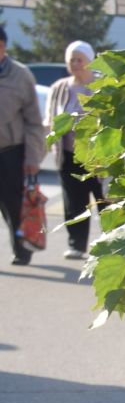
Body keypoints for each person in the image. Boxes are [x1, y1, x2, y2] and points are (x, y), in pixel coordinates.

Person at [44, 41, 104, 261]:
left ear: (90, 61)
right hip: (69, 156)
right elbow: (49, 121)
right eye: (72, 59)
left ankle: (110, 244)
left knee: (105, 200)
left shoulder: (103, 86)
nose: (76, 64)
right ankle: (76, 245)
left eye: (80, 59)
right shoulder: (59, 87)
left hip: (99, 156)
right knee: (74, 203)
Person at [0, 24, 45, 266]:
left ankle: (22, 250)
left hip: (10, 152)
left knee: (12, 206)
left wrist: (32, 158)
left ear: (3, 47)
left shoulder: (20, 75)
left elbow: (34, 122)